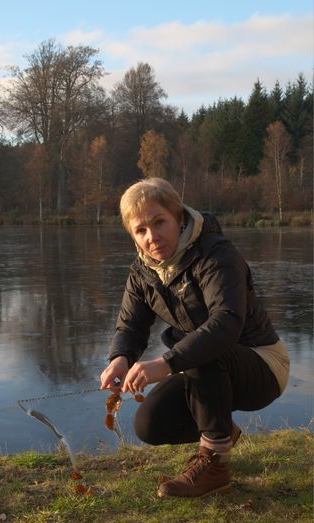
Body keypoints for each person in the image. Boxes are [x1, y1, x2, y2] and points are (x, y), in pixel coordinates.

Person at [100, 177, 289, 498]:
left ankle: (214, 464)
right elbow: (130, 326)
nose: (152, 237)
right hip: (204, 367)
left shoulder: (216, 254)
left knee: (202, 349)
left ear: (180, 217)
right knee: (150, 425)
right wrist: (120, 358)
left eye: (160, 222)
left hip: (263, 364)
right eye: (140, 230)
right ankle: (222, 430)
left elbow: (226, 323)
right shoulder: (143, 271)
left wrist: (166, 363)